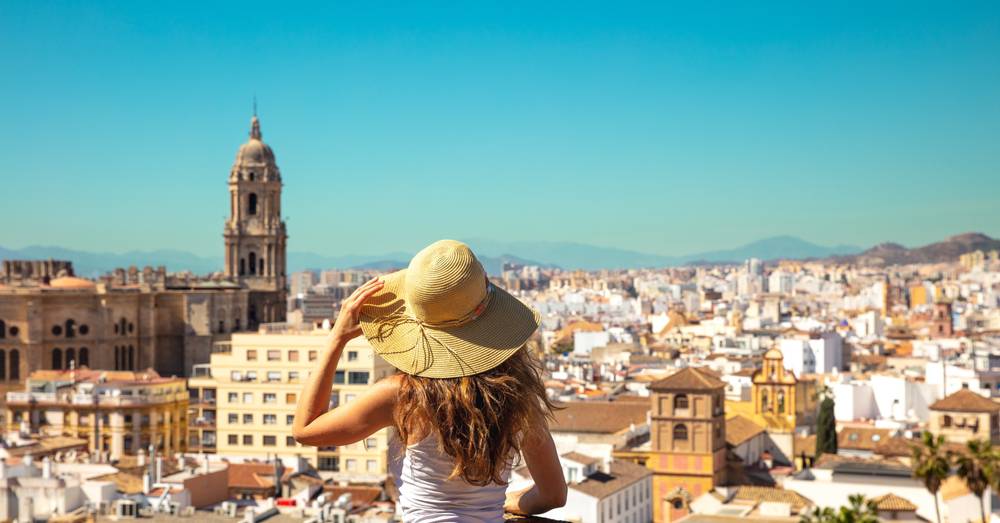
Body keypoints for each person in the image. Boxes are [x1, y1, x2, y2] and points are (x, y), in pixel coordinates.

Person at [293, 240, 567, 522]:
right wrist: (505, 504)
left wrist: (337, 338)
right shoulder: (519, 397)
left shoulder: (405, 396)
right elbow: (553, 495)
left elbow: (306, 429)